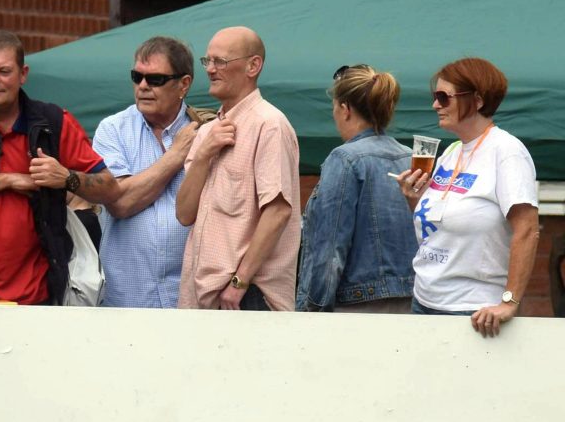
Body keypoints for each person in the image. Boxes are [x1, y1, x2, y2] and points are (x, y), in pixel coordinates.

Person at [0, 30, 121, 304]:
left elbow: (110, 188)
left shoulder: (54, 122)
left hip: (37, 299)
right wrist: (8, 180)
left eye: (4, 71)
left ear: (23, 73)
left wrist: (67, 178)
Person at [396, 57, 539, 337]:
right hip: (424, 301)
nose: (435, 105)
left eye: (443, 97)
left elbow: (528, 229)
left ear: (477, 100)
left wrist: (509, 302)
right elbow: (437, 225)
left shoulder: (507, 151)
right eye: (435, 96)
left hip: (472, 310)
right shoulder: (451, 153)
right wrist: (414, 198)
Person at [176, 26, 300, 312]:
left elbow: (279, 211)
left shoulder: (269, 125)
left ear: (253, 65)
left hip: (247, 295)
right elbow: (183, 213)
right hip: (205, 298)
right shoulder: (208, 132)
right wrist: (204, 153)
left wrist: (239, 283)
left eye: (220, 61)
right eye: (207, 61)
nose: (210, 70)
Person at [91, 36, 202, 308]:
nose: (142, 86)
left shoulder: (206, 130)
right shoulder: (112, 129)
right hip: (126, 300)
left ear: (183, 84)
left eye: (155, 79)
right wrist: (176, 155)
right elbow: (120, 202)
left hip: (191, 299)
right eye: (136, 76)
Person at [296, 64, 417, 312]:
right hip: (412, 301)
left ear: (345, 108)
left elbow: (330, 250)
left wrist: (313, 307)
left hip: (356, 308)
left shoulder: (345, 159)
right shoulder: (411, 158)